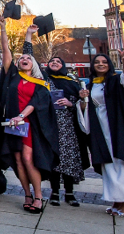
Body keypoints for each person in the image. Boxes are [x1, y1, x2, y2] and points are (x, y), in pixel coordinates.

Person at [78, 52, 124, 217]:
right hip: (100, 129)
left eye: (104, 62)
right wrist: (82, 100)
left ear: (109, 64)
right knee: (108, 165)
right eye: (97, 62)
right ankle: (118, 200)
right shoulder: (90, 85)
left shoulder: (116, 80)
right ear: (93, 65)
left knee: (122, 162)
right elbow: (85, 109)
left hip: (118, 127)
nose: (101, 64)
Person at [0, 22, 59, 214]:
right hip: (13, 125)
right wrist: (5, 30)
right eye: (21, 58)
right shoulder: (13, 77)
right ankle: (27, 194)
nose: (24, 59)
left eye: (28, 58)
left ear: (34, 64)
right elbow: (6, 50)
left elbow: (35, 102)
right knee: (17, 160)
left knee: (27, 158)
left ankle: (39, 195)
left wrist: (21, 116)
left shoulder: (41, 82)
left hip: (30, 124)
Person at [44, 56, 87, 207]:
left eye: (58, 61)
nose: (54, 63)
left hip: (68, 127)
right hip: (50, 125)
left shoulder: (72, 83)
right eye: (52, 62)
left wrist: (71, 103)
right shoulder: (44, 81)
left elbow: (83, 105)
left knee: (69, 160)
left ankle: (69, 192)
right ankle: (54, 191)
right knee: (54, 160)